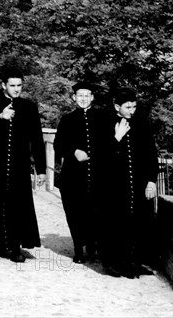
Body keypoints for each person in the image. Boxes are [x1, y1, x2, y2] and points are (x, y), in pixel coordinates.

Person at [0, 66, 46, 263]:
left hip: (20, 163)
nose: (16, 89)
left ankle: (17, 245)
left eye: (19, 85)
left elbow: (37, 138)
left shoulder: (29, 107)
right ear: (3, 85)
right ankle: (3, 243)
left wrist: (41, 169)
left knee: (19, 203)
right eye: (12, 85)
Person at [99, 87, 159, 278]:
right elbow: (101, 158)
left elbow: (151, 154)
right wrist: (116, 138)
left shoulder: (141, 123)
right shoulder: (105, 122)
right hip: (116, 185)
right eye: (127, 107)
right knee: (116, 224)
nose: (132, 110)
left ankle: (134, 261)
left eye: (134, 106)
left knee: (139, 222)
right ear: (117, 106)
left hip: (139, 183)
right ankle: (114, 263)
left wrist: (151, 180)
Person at [54, 81, 104, 263]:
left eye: (87, 95)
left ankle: (92, 244)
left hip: (96, 175)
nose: (83, 99)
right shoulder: (67, 119)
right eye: (80, 96)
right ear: (74, 98)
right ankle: (78, 248)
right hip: (73, 176)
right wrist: (74, 151)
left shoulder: (102, 118)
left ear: (92, 98)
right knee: (75, 212)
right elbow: (58, 145)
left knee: (94, 212)